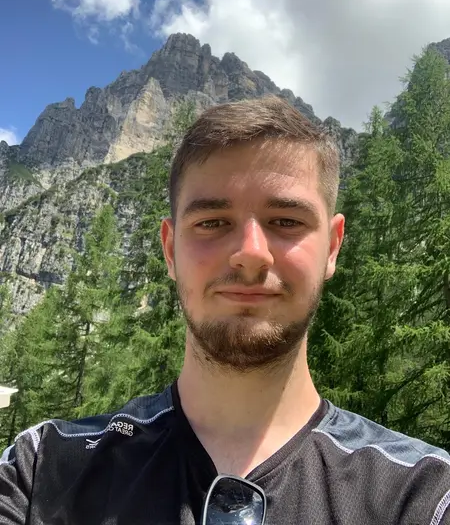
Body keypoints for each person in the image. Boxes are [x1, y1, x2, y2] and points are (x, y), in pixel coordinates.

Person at [1, 95, 449, 525]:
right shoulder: (41, 470)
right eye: (212, 222)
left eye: (286, 221)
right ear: (170, 249)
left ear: (332, 247)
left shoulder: (425, 494)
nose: (251, 253)